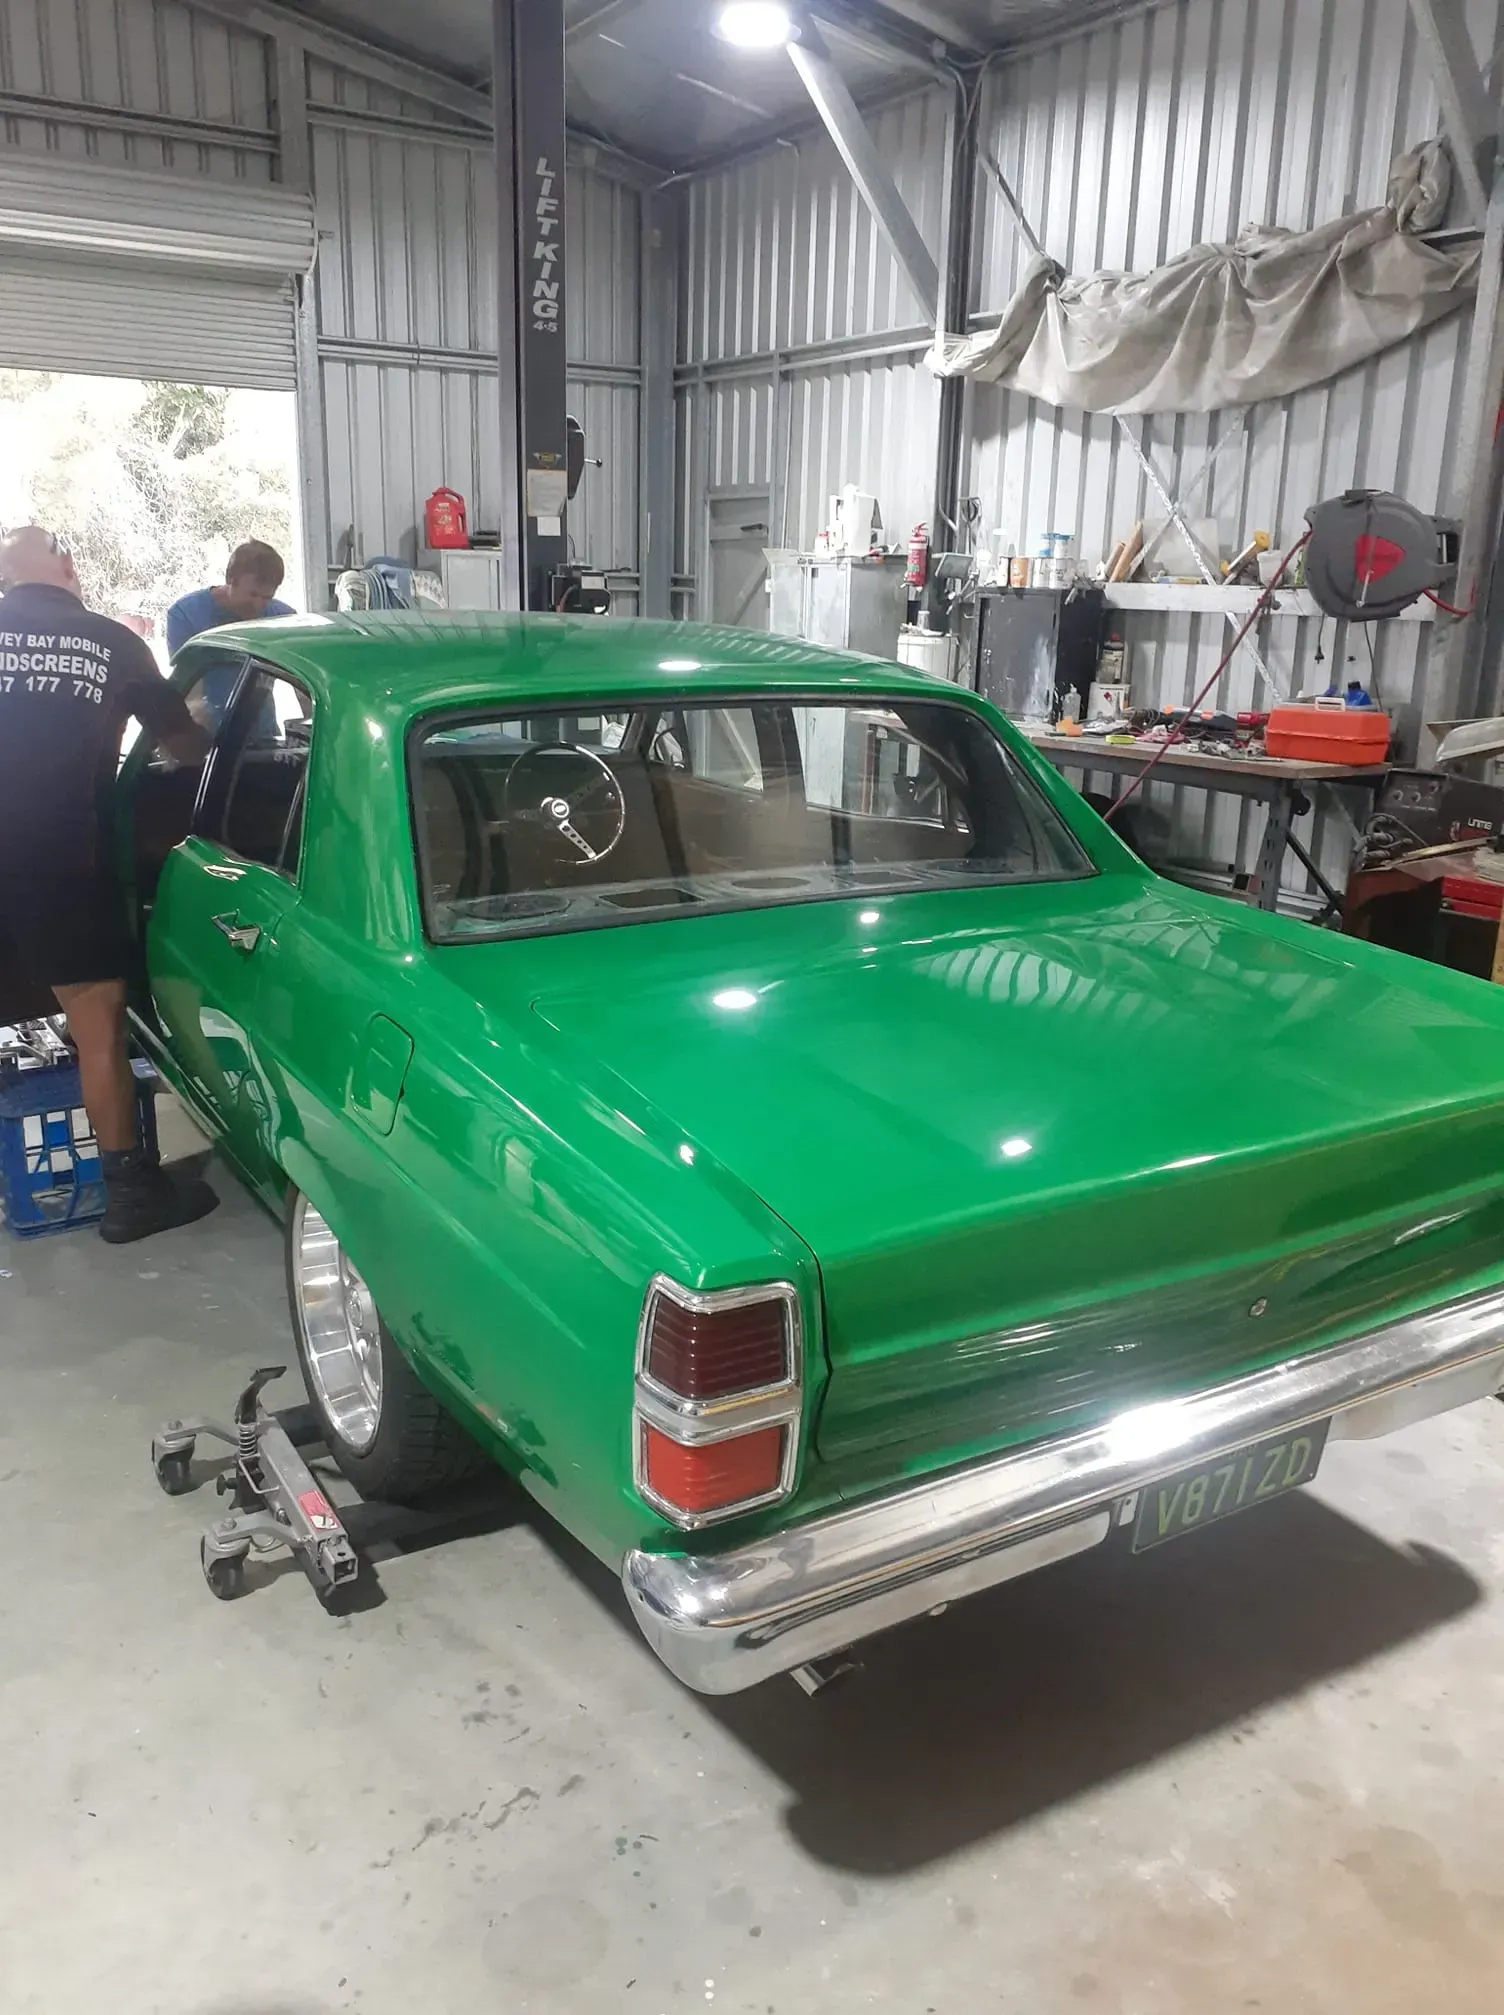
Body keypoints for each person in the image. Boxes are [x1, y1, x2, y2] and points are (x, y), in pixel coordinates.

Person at [0, 527, 218, 1243]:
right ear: (67, 566)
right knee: (96, 1021)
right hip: (58, 856)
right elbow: (185, 747)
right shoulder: (112, 642)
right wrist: (206, 730)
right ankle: (131, 1196)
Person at [166, 540, 294, 657]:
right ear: (230, 578)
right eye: (253, 595)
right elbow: (184, 672)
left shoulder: (284, 620)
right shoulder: (185, 615)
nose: (258, 605)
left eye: (267, 598)